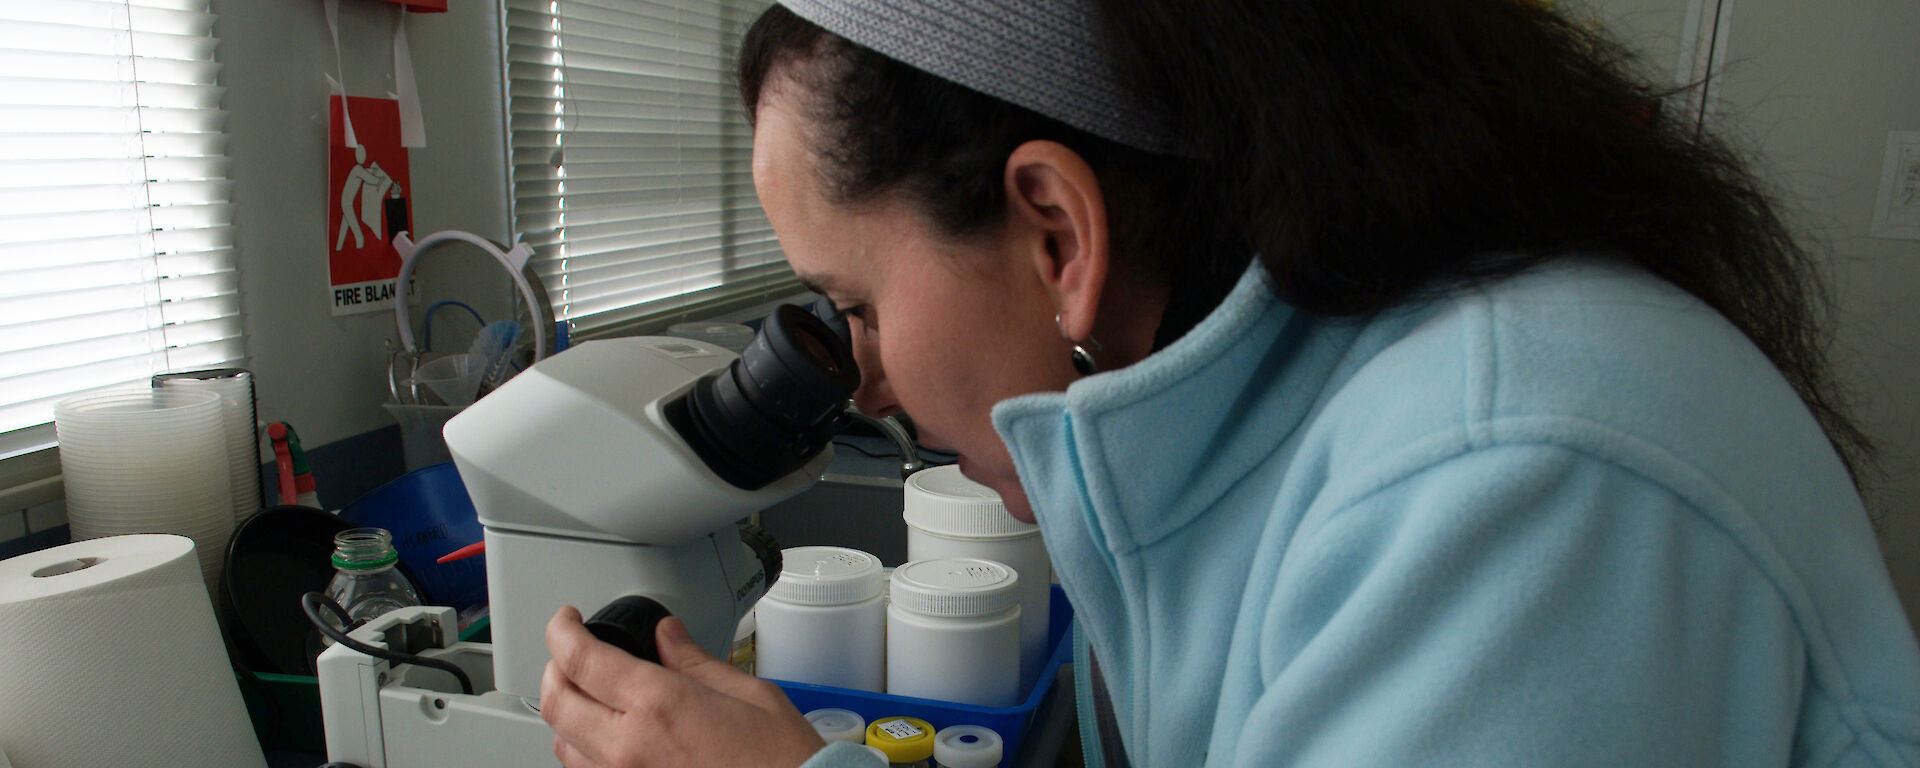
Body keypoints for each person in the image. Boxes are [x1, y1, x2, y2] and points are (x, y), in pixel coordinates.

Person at [536, 0, 1920, 765]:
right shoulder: (1271, 422)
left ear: (1055, 233)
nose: (869, 384)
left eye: (857, 305)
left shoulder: (1519, 485)